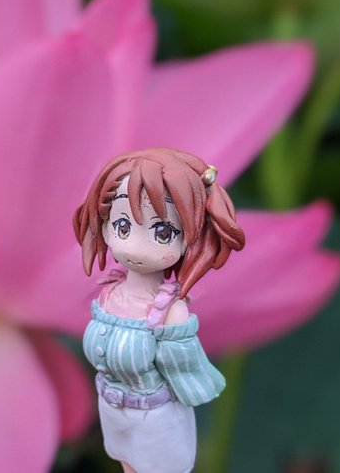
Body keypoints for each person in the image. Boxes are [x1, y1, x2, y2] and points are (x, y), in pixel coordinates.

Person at [74, 148, 245, 473]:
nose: (135, 246)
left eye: (162, 232)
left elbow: (186, 377)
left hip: (155, 423)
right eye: (122, 225)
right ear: (106, 226)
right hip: (112, 412)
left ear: (190, 239)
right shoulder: (109, 294)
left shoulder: (170, 314)